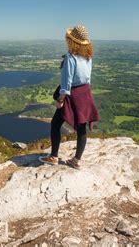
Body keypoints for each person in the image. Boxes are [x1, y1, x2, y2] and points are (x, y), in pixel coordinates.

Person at [39, 25, 100, 169]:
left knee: (55, 124)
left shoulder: (70, 57)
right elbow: (88, 78)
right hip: (84, 93)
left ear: (71, 40)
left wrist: (60, 100)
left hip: (71, 94)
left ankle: (54, 156)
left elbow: (66, 84)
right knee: (81, 127)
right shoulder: (88, 57)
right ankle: (76, 160)